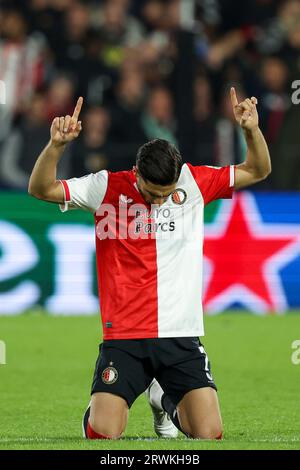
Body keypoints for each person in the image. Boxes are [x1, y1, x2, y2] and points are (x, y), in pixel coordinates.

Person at [28, 88, 271, 439]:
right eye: (152, 193)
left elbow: (258, 170)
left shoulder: (194, 182)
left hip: (180, 333)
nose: (159, 202)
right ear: (137, 173)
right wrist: (56, 147)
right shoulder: (106, 188)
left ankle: (164, 400)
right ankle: (105, 405)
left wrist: (250, 131)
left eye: (167, 194)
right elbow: (41, 189)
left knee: (209, 433)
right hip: (124, 335)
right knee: (103, 433)